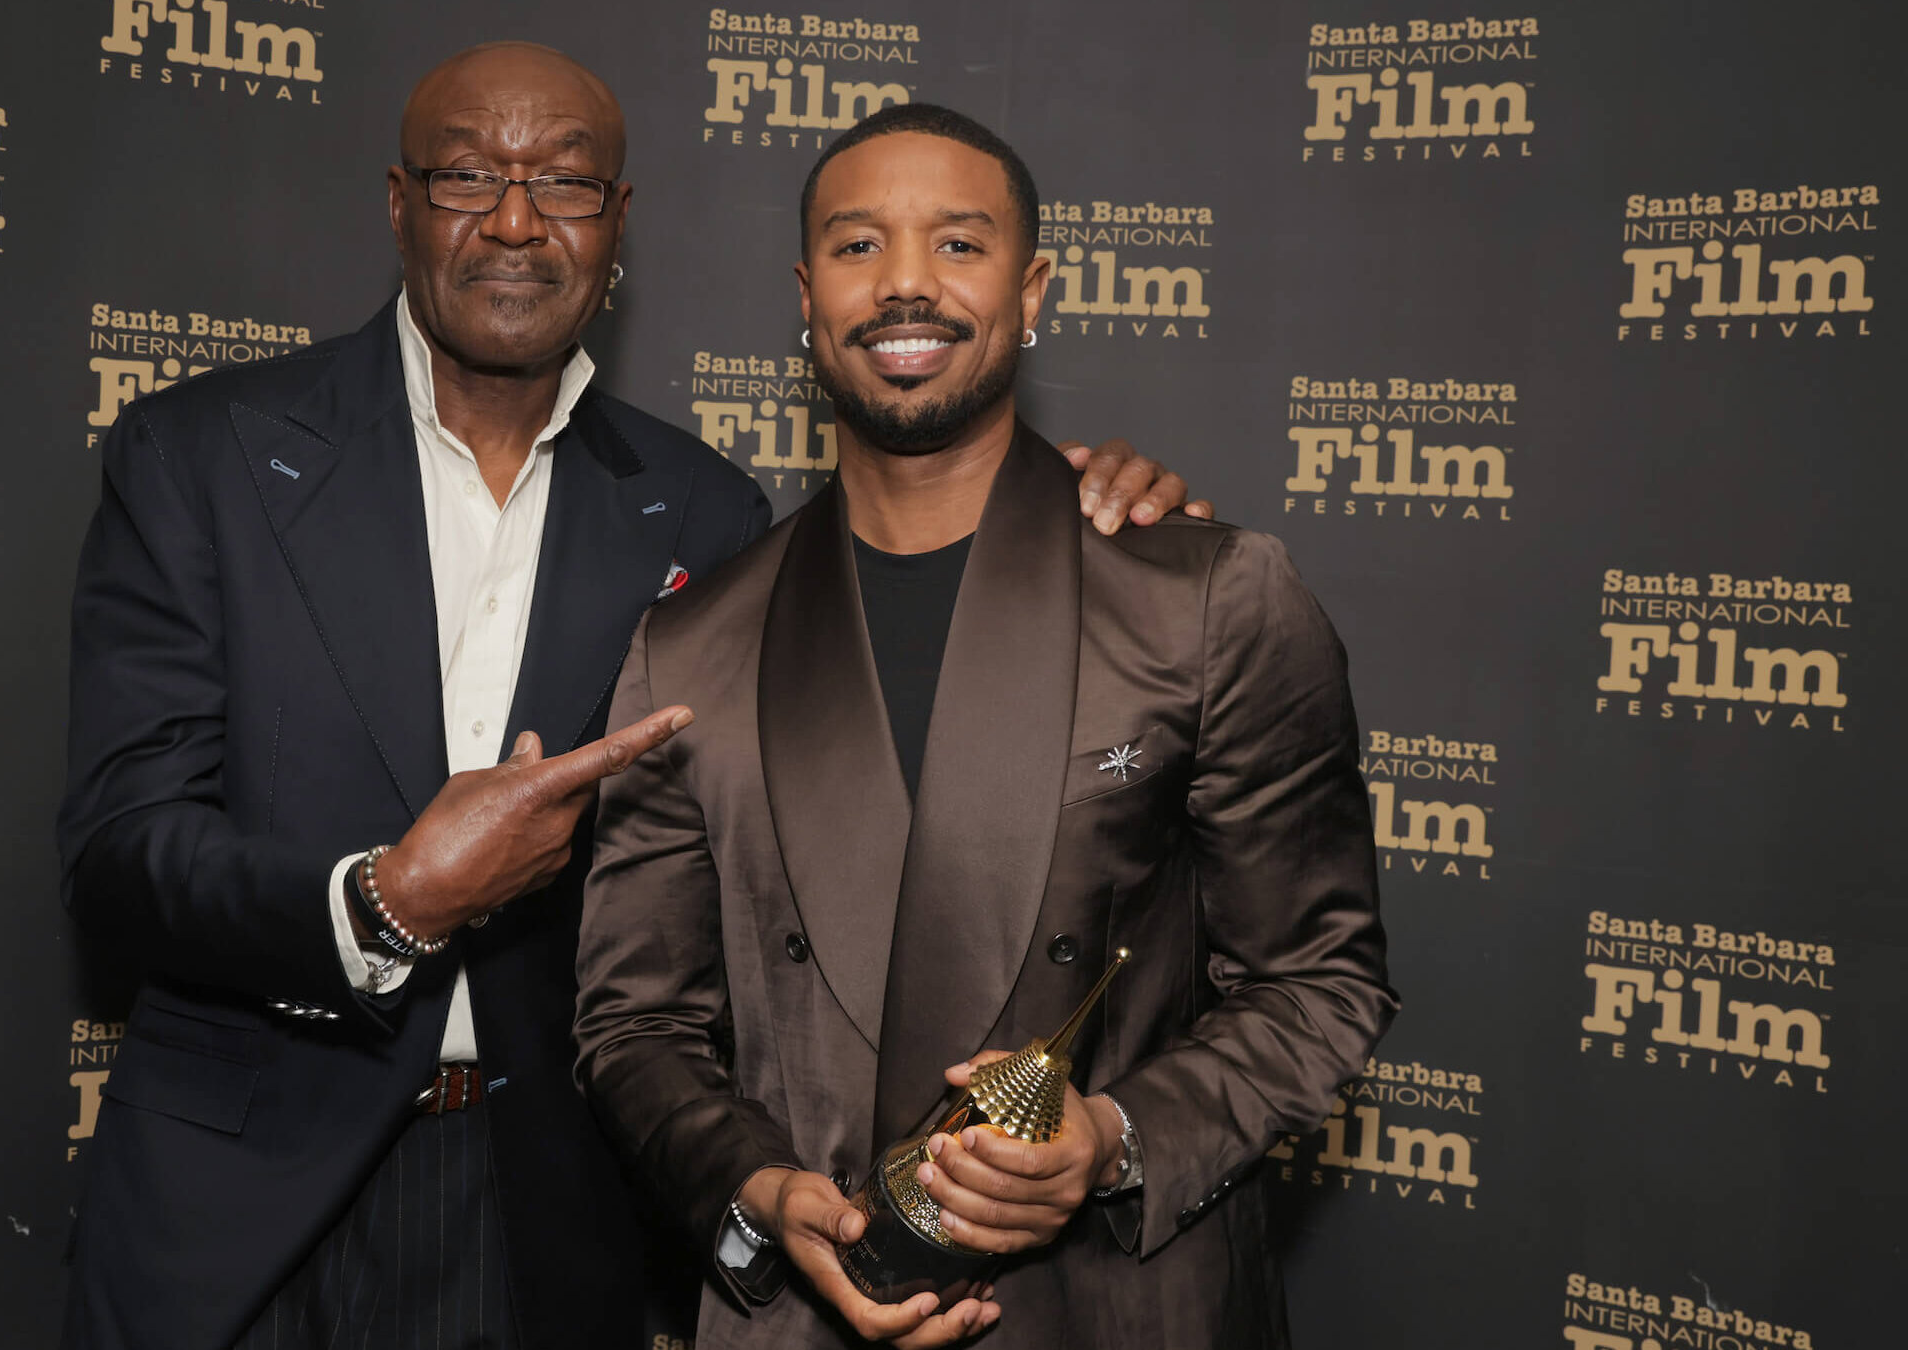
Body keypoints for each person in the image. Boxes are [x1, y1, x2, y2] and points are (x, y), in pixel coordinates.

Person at [58, 43, 1207, 1350]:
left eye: (564, 182)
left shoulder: (706, 511)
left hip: (544, 1219)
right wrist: (389, 901)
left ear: (616, 227)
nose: (512, 217)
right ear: (396, 203)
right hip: (234, 1219)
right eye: (467, 176)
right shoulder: (203, 456)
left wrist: (1087, 501)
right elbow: (117, 860)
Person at [573, 102, 1396, 1350]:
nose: (906, 284)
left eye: (958, 245)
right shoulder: (689, 647)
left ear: (1034, 291)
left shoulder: (1207, 598)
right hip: (808, 1315)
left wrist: (1112, 1140)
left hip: (1123, 1311)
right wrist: (755, 1191)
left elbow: (1320, 982)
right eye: (858, 248)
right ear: (807, 296)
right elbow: (634, 1025)